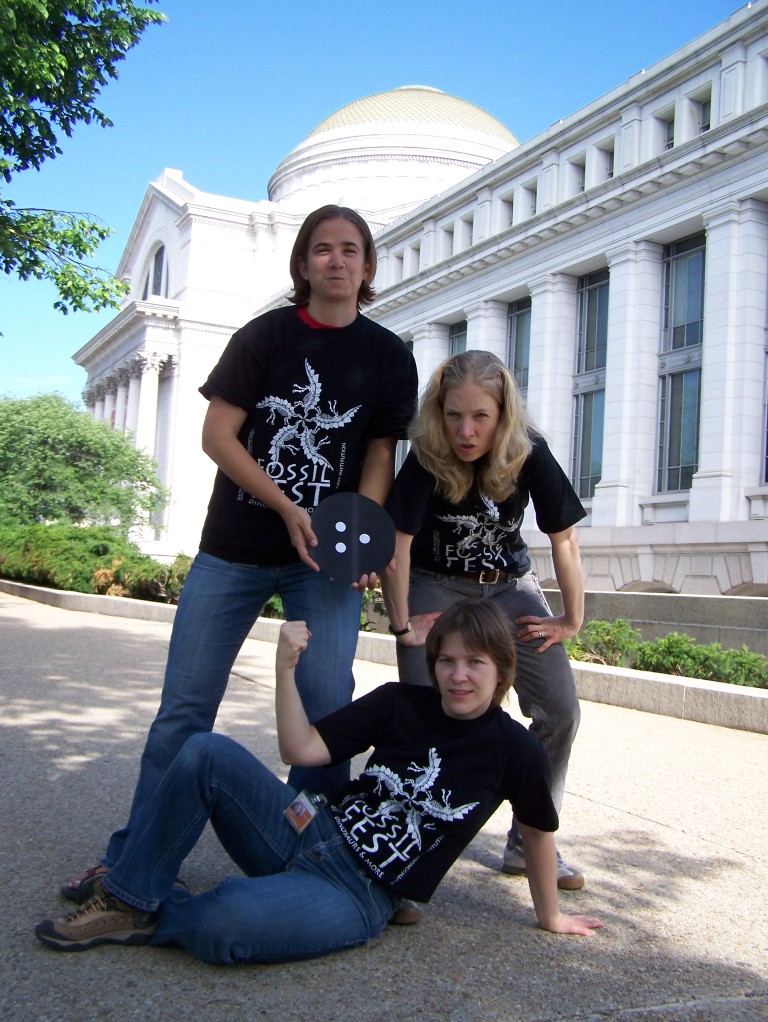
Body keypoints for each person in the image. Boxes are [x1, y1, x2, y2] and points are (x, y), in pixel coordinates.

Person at [60, 205, 418, 900]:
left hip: (325, 561)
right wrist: (286, 506)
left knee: (324, 709)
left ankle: (309, 862)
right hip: (234, 549)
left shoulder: (388, 354)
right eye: (322, 249)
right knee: (185, 710)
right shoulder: (265, 337)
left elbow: (380, 453)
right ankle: (134, 862)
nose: (336, 261)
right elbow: (218, 436)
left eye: (349, 250)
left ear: (367, 267)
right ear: (303, 263)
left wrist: (358, 532)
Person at [35, 600, 603, 963]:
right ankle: (130, 895)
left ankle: (160, 903)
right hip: (305, 829)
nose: (458, 675)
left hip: (358, 893)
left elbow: (535, 833)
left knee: (221, 925)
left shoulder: (516, 750)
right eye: (447, 660)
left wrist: (551, 916)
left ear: (502, 670)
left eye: (475, 663)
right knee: (204, 751)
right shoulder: (400, 703)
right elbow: (299, 748)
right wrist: (284, 671)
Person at [382, 349, 587, 890]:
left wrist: (570, 620)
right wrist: (404, 626)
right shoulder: (427, 456)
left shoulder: (529, 452)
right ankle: (405, 857)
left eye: (480, 417)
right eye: (454, 415)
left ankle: (529, 842)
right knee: (427, 717)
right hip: (435, 586)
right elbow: (397, 546)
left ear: (503, 414)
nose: (466, 431)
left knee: (560, 709)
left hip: (508, 587)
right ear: (439, 411)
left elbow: (563, 537)